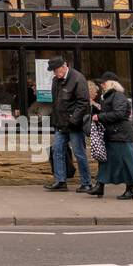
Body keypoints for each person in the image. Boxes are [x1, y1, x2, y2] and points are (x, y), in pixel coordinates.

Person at [88, 72, 133, 199]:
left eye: (104, 82)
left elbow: (119, 113)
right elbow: (111, 112)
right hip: (113, 134)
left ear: (111, 83)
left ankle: (131, 190)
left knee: (126, 163)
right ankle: (99, 187)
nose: (102, 85)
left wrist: (100, 116)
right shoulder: (108, 97)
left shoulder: (118, 96)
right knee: (105, 162)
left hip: (121, 135)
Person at [45, 55, 91, 192]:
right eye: (53, 70)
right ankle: (60, 181)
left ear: (64, 66)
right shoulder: (56, 80)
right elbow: (56, 103)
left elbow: (83, 103)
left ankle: (86, 183)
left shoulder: (78, 78)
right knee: (57, 150)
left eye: (56, 70)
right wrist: (55, 121)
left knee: (79, 153)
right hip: (60, 124)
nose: (54, 73)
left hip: (74, 125)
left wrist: (73, 120)